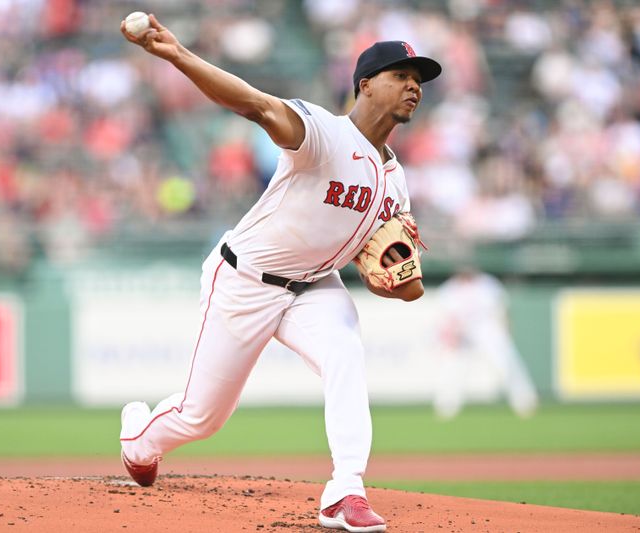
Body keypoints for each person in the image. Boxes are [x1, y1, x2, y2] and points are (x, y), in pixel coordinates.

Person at [117, 13, 441, 533]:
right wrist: (177, 55)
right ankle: (139, 438)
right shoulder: (324, 133)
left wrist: (404, 283)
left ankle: (346, 491)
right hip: (246, 279)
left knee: (345, 353)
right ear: (365, 84)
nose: (413, 87)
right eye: (401, 75)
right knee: (204, 417)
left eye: (418, 80)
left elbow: (406, 287)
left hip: (315, 287)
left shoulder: (395, 180)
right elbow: (255, 104)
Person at [433, 267, 539, 419]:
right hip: (462, 331)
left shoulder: (488, 283)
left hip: (487, 328)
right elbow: (446, 319)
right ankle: (446, 406)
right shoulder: (449, 289)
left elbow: (502, 309)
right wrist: (451, 337)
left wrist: (506, 330)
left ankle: (525, 401)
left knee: (506, 363)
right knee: (453, 368)